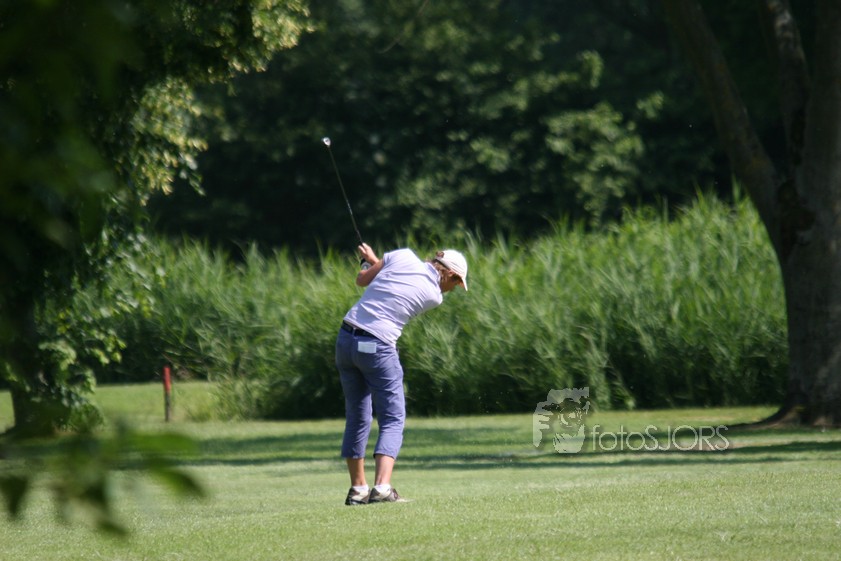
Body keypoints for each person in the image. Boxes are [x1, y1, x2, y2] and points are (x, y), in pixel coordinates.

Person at [336, 242, 468, 505]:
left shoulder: (401, 256)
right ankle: (382, 488)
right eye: (455, 283)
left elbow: (363, 280)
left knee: (358, 416)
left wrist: (370, 262)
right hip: (378, 346)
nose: (452, 289)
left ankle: (358, 489)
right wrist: (374, 262)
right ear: (450, 274)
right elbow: (396, 283)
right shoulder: (434, 296)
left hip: (346, 339)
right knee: (393, 418)